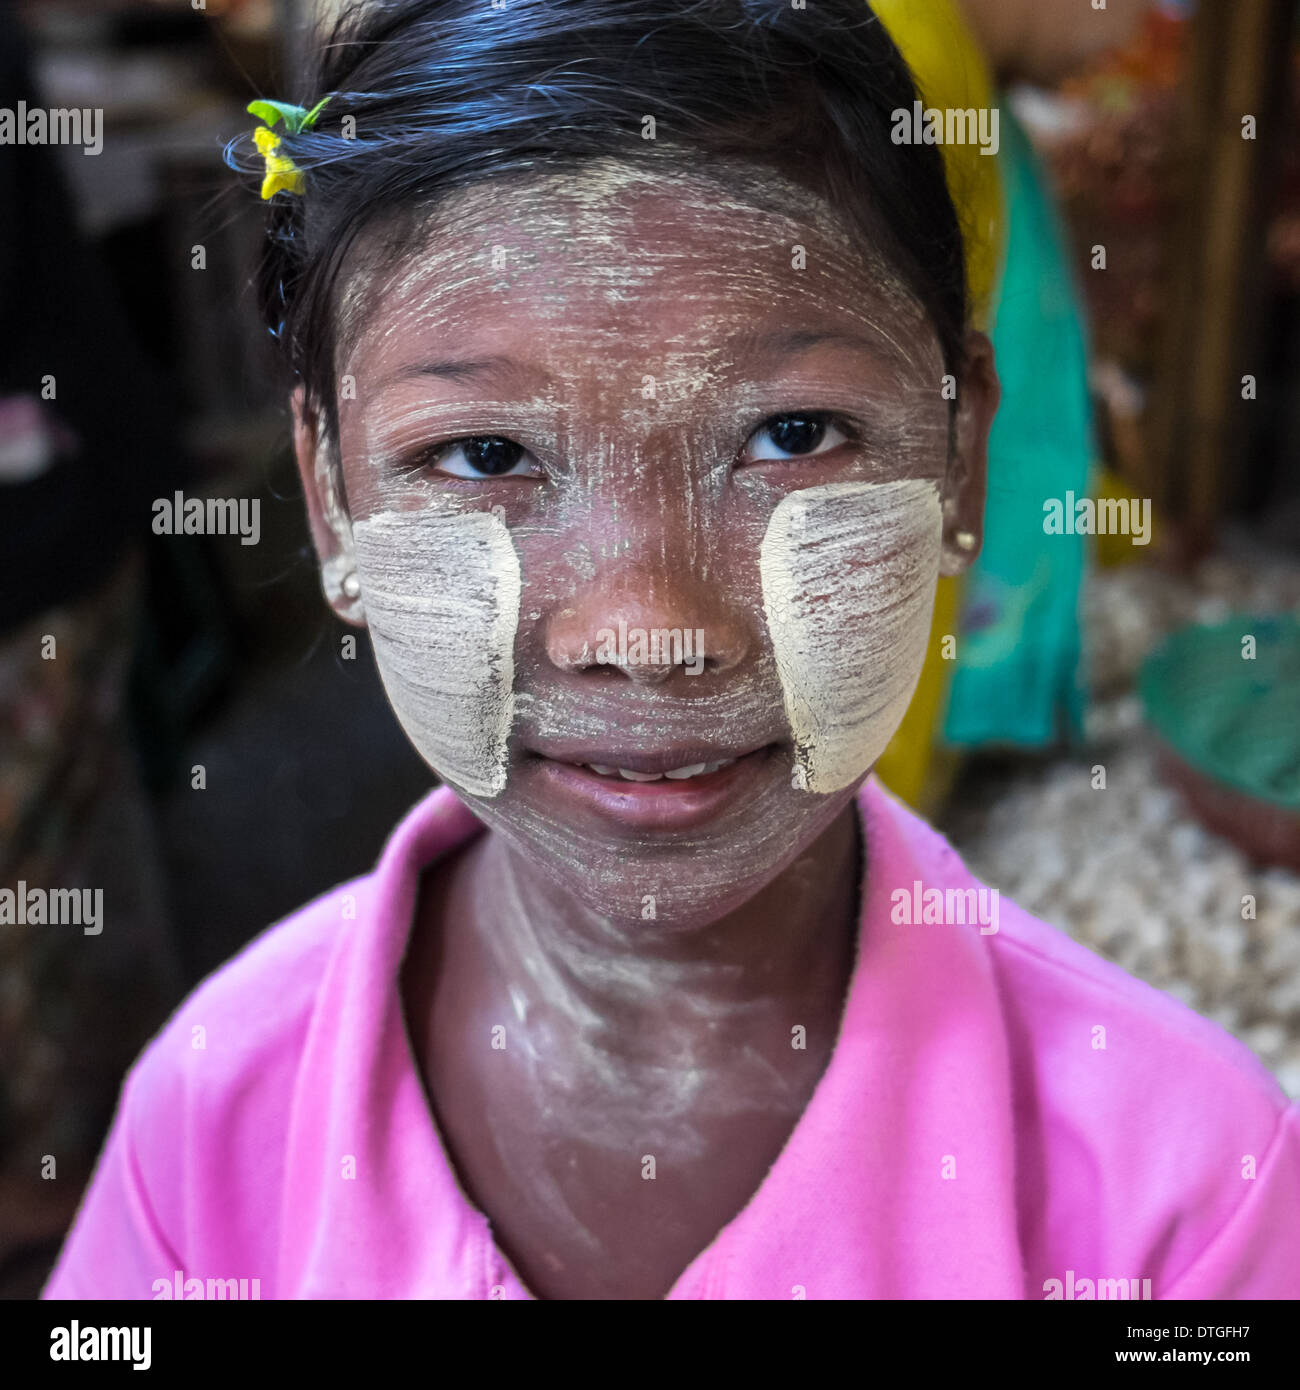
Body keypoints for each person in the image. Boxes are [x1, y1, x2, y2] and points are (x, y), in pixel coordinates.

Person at [43, 0, 1300, 1300]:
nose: (649, 631)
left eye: (794, 435)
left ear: (962, 464)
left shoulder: (1186, 1196)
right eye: (484, 455)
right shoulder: (209, 1121)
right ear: (333, 502)